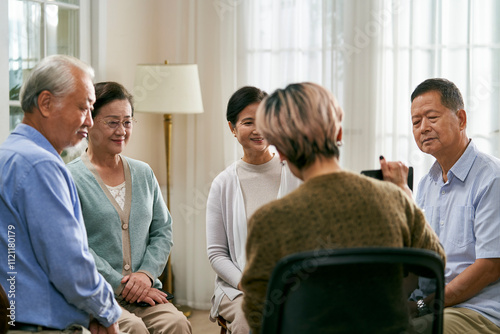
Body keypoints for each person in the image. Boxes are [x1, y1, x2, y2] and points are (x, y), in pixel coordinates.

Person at [240, 82, 446, 334]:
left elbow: (258, 313)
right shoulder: (396, 200)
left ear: (280, 152)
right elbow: (436, 260)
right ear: (338, 134)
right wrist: (405, 194)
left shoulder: (269, 221)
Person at [0, 55, 121, 332]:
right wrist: (108, 312)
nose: (90, 121)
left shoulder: (8, 154)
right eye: (83, 108)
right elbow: (70, 266)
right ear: (46, 103)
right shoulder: (41, 165)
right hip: (41, 325)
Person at [67, 82, 192, 334]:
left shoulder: (143, 172)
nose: (121, 130)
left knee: (176, 323)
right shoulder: (70, 178)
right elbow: (75, 245)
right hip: (98, 294)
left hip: (145, 291)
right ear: (89, 123)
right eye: (112, 122)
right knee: (132, 328)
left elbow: (162, 230)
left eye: (127, 122)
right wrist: (120, 284)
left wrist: (145, 274)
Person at [404, 78, 500, 333]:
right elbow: (418, 262)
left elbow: (489, 267)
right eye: (416, 122)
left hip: (477, 310)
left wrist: (425, 306)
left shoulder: (492, 177)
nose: (423, 128)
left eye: (431, 117)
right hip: (432, 306)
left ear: (461, 119)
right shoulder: (426, 185)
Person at [206, 86, 302, 333]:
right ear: (233, 128)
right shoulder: (222, 184)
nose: (259, 130)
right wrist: (247, 284)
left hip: (292, 284)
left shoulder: (296, 174)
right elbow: (217, 254)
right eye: (249, 122)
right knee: (251, 319)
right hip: (239, 288)